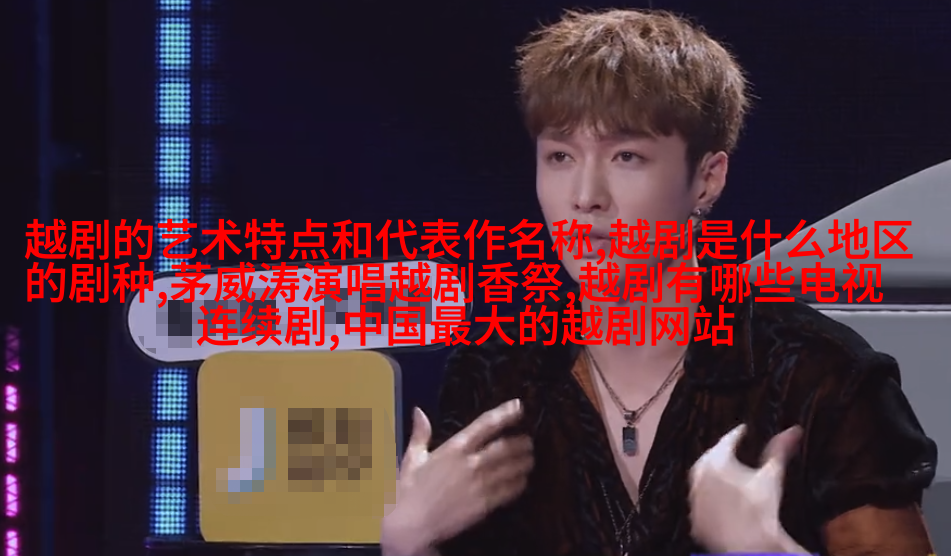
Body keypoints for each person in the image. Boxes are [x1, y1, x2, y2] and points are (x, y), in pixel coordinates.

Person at [380, 8, 938, 556]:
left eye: (627, 156)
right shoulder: (497, 372)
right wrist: (408, 543)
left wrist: (765, 551)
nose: (585, 197)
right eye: (560, 156)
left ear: (707, 179)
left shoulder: (820, 376)